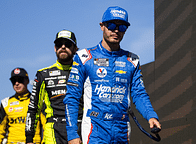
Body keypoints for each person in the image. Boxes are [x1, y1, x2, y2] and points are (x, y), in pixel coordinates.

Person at [63, 6, 162, 144]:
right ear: (102, 26)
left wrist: (151, 116)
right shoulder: (84, 57)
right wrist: (72, 133)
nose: (116, 30)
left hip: (122, 130)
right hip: (95, 129)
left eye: (122, 27)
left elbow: (139, 93)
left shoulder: (132, 61)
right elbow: (72, 97)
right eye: (112, 25)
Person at [25, 30, 83, 144]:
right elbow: (33, 107)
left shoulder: (83, 72)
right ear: (55, 48)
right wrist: (29, 139)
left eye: (68, 44)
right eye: (59, 44)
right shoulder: (43, 74)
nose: (63, 47)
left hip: (79, 128)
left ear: (76, 48)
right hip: (53, 129)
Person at [0, 68, 42, 144]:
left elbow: (46, 125)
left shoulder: (37, 100)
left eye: (20, 80)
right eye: (13, 81)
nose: (16, 83)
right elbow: (0, 130)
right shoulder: (6, 103)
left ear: (27, 81)